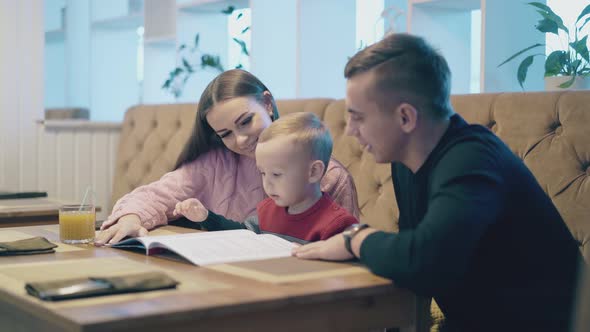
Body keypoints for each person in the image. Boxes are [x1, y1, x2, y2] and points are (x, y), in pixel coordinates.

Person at [293, 33, 582, 331]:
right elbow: (413, 259)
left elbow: (424, 261)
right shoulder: (406, 161)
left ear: (405, 117)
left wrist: (356, 239)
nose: (350, 131)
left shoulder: (471, 160)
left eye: (358, 117)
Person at [96, 69, 359, 246]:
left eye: (245, 122)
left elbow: (347, 253)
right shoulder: (215, 163)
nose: (241, 140)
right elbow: (156, 194)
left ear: (267, 104)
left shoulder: (329, 177)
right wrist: (132, 217)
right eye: (226, 134)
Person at [172, 112, 358, 243]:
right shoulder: (268, 209)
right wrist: (206, 216)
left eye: (276, 174)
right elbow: (242, 233)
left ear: (314, 172)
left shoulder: (338, 224)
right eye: (263, 173)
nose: (267, 183)